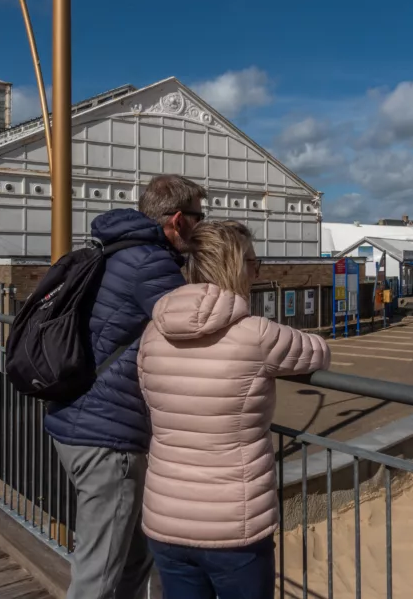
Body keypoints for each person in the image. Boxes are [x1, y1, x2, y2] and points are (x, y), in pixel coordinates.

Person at [137, 221, 331, 599]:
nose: (256, 271)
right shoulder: (256, 333)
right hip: (233, 526)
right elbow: (318, 353)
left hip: (166, 518)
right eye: (254, 262)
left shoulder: (153, 331)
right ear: (236, 265)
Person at [44, 174, 206, 599]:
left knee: (133, 555)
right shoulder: (151, 262)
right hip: (107, 437)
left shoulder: (113, 248)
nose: (202, 226)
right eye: (199, 217)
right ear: (176, 220)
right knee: (98, 573)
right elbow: (192, 329)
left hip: (80, 419)